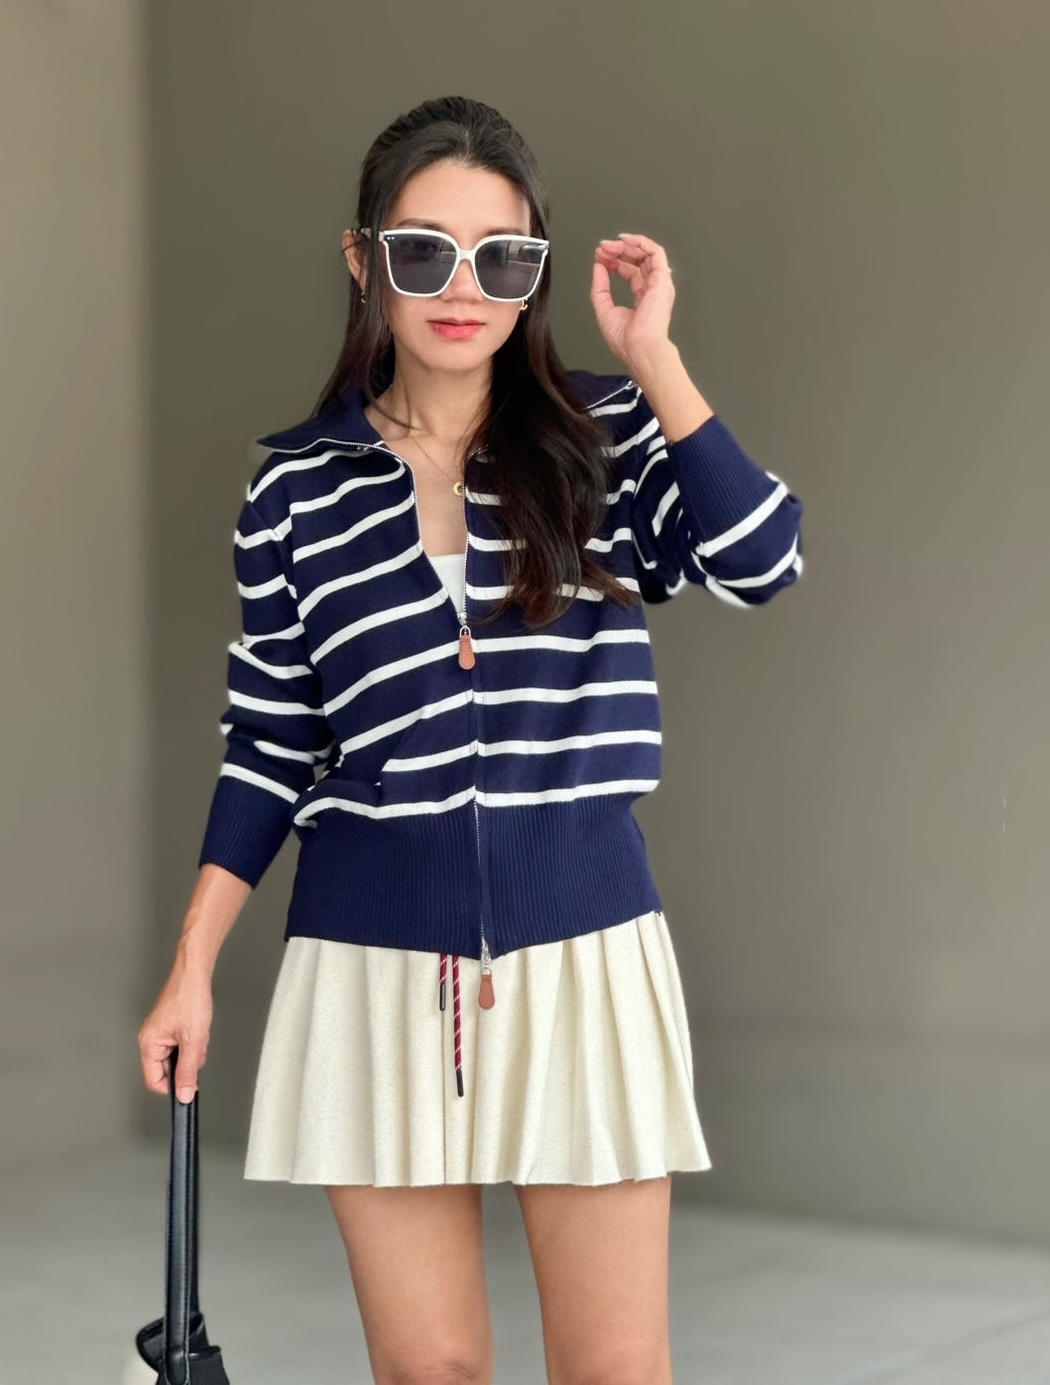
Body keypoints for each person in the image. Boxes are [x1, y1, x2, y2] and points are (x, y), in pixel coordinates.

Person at [138, 94, 804, 1385]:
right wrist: (192, 967)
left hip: (584, 950)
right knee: (428, 1372)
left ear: (536, 273)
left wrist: (656, 359)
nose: (463, 287)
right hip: (371, 961)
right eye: (423, 251)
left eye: (503, 257)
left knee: (615, 1372)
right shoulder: (295, 487)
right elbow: (269, 738)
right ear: (363, 258)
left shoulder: (601, 437)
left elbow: (762, 560)